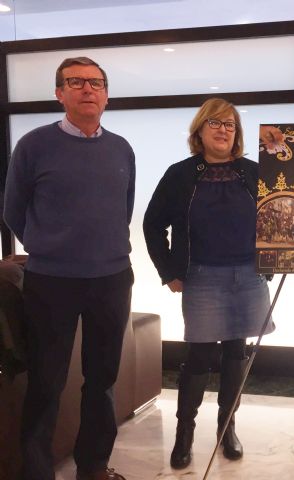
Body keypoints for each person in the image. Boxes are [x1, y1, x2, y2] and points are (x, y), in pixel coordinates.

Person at [3, 56, 135, 480]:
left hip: (111, 278)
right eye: (76, 82)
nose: (87, 89)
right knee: (47, 381)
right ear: (59, 93)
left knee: (102, 379)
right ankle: (37, 472)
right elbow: (13, 210)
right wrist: (48, 247)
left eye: (96, 82)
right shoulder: (33, 145)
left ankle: (93, 467)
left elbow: (124, 208)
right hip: (52, 281)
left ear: (106, 95)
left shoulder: (121, 148)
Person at [143, 97, 274, 469]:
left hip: (248, 275)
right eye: (214, 123)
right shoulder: (180, 174)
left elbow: (277, 217)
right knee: (199, 357)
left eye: (230, 124)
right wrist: (168, 271)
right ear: (199, 130)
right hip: (201, 277)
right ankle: (184, 432)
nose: (223, 130)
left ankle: (227, 427)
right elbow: (152, 224)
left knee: (236, 353)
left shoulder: (254, 172)